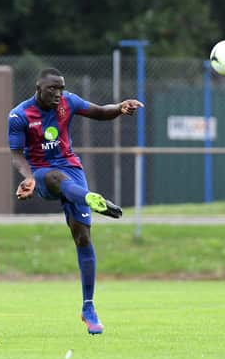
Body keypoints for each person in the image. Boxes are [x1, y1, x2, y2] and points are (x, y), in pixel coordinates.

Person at [7, 68, 143, 334]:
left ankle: (88, 307)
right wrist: (29, 178)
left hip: (72, 168)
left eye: (61, 88)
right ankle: (93, 198)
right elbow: (16, 154)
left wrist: (120, 108)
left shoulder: (68, 101)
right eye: (52, 89)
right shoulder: (19, 115)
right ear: (38, 88)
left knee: (82, 237)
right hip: (42, 173)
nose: (58, 93)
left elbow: (99, 112)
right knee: (57, 178)